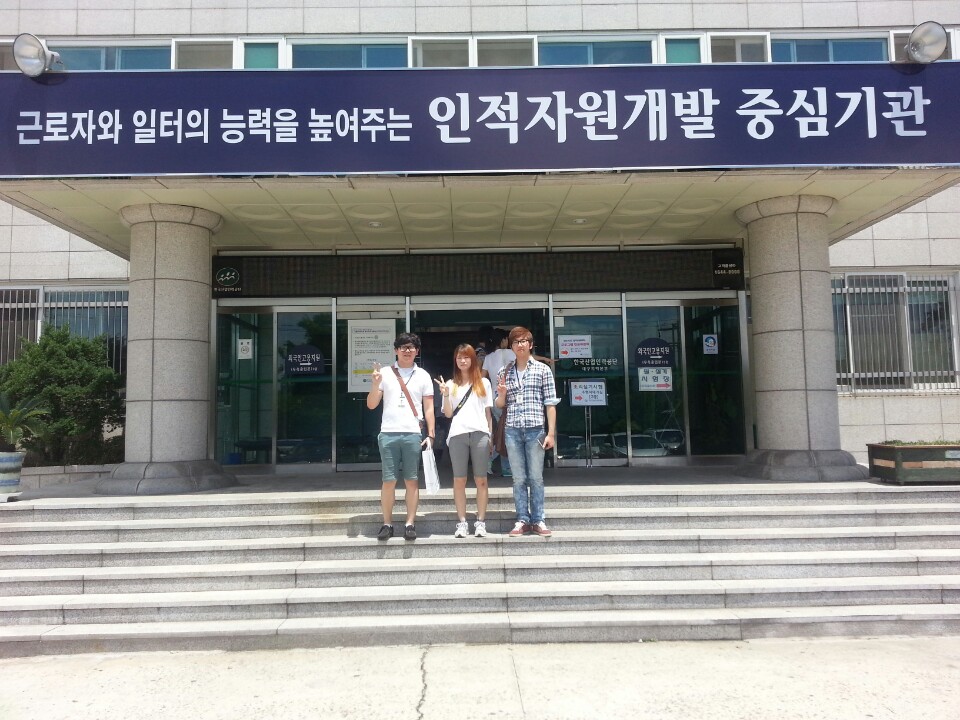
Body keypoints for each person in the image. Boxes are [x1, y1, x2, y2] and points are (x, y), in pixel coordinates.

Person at [366, 332, 435, 541]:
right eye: (403, 347)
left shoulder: (423, 375)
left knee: (412, 480)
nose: (407, 350)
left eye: (411, 347)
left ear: (417, 351)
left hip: (413, 433)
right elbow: (371, 404)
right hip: (388, 433)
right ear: (396, 350)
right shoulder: (385, 373)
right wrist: (375, 384)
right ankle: (387, 523)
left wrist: (431, 434)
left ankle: (410, 523)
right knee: (389, 481)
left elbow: (429, 408)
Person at [495, 326, 559, 537]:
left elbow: (550, 403)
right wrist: (501, 394)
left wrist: (551, 433)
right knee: (518, 478)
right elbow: (499, 404)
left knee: (536, 477)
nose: (519, 345)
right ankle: (522, 519)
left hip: (535, 430)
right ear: (511, 346)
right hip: (512, 429)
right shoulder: (504, 371)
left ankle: (538, 519)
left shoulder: (543, 370)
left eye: (523, 341)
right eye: (515, 342)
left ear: (530, 345)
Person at [435, 344, 493, 538]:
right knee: (459, 480)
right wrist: (445, 394)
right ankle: (462, 522)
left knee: (481, 480)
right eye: (459, 357)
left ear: (473, 359)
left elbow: (488, 413)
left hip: (480, 433)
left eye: (466, 357)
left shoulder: (484, 383)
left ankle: (480, 522)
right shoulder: (451, 384)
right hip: (458, 434)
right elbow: (448, 413)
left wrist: (490, 436)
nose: (462, 360)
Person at [482, 328, 515, 477]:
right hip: (509, 397)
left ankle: (490, 460)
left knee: (501, 431)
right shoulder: (511, 353)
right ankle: (505, 467)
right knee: (508, 433)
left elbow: (482, 378)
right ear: (503, 340)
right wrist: (546, 359)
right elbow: (529, 359)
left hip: (494, 398)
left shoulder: (488, 357)